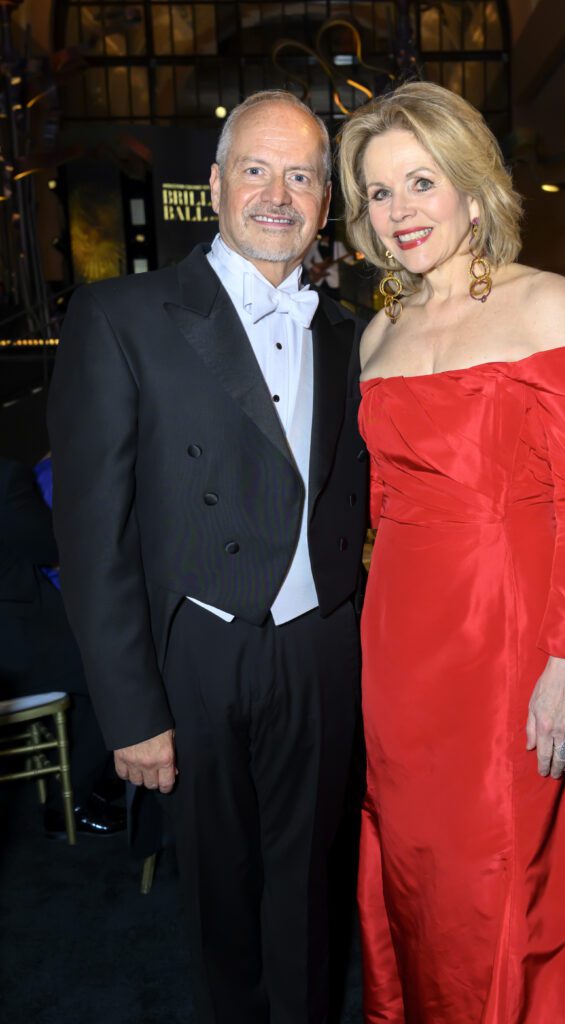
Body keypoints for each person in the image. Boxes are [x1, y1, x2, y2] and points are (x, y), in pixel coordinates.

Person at [337, 81, 565, 1023]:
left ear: (471, 187)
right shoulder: (377, 334)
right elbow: (369, 506)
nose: (400, 211)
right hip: (396, 642)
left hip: (506, 643)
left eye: (420, 181)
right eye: (377, 192)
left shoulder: (545, 304)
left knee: (505, 862)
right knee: (412, 856)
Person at [48, 90, 368, 1024]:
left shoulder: (348, 328)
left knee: (313, 890)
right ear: (217, 183)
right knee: (220, 897)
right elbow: (92, 534)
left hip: (320, 647)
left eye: (302, 175)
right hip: (196, 650)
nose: (279, 194)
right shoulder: (121, 315)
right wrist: (131, 710)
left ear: (323, 201)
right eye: (257, 170)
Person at [0, 457, 123, 835]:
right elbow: (50, 546)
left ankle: (96, 780)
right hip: (15, 636)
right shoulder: (6, 474)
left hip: (17, 631)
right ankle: (70, 802)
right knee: (114, 674)